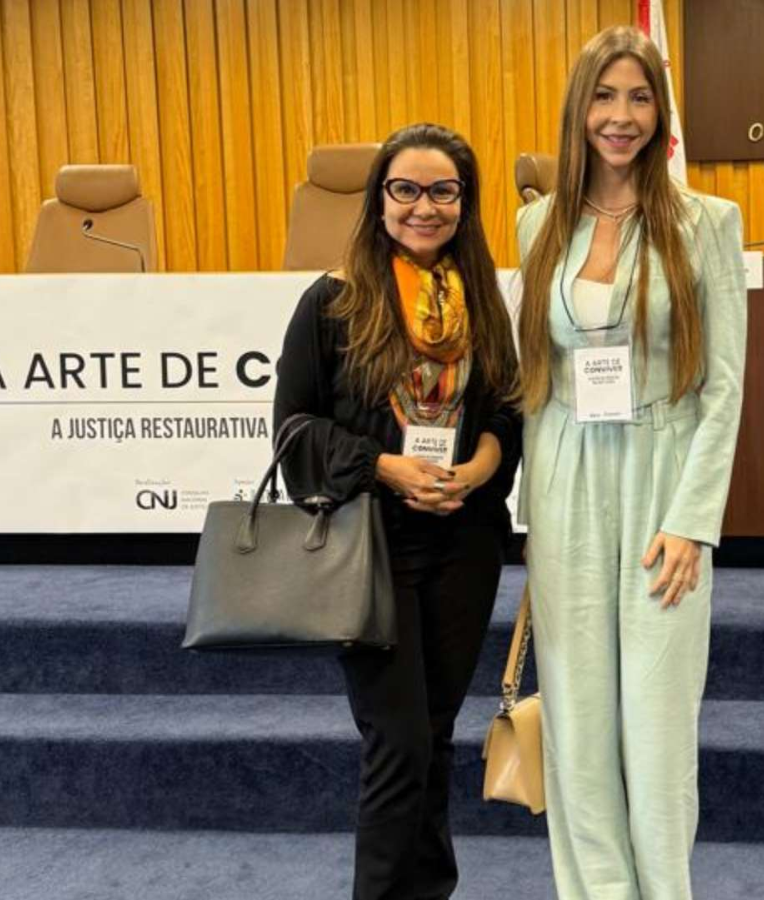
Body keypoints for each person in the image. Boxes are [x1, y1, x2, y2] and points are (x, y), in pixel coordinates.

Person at [514, 25, 748, 900]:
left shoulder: (705, 222)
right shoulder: (538, 223)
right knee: (576, 721)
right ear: (580, 110)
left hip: (662, 471)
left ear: (661, 112)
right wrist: (530, 512)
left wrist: (694, 521)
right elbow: (534, 380)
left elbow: (723, 387)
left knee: (654, 723)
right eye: (604, 97)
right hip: (568, 474)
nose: (621, 116)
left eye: (638, 97)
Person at [271, 122, 521, 900]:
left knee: (437, 737)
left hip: (463, 542)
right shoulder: (334, 298)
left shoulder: (480, 298)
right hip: (368, 544)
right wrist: (385, 467)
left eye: (442, 191)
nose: (423, 207)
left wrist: (477, 472)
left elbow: (506, 417)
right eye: (405, 189)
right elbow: (293, 430)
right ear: (379, 197)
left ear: (464, 202)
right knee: (399, 741)